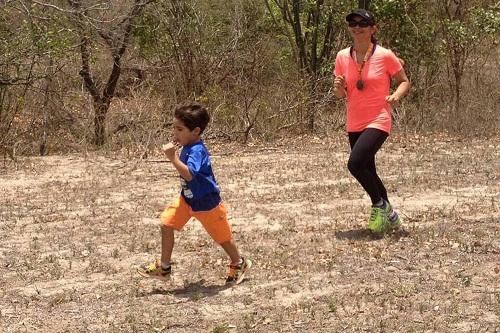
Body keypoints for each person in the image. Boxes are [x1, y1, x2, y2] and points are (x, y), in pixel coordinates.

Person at [137, 102, 252, 284]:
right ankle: (164, 268)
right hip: (187, 199)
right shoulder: (187, 146)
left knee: (222, 238)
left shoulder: (198, 150)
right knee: (167, 224)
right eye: (174, 128)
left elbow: (190, 175)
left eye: (180, 129)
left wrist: (173, 158)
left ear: (196, 131)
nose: (175, 133)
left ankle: (238, 263)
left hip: (207, 203)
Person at [332, 9, 410, 234]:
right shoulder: (342, 56)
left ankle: (379, 205)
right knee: (368, 169)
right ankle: (392, 217)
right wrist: (338, 88)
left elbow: (404, 81)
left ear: (372, 28)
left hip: (379, 118)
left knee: (355, 164)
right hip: (354, 121)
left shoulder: (385, 55)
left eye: (362, 23)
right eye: (352, 23)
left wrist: (397, 95)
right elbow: (341, 93)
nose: (356, 27)